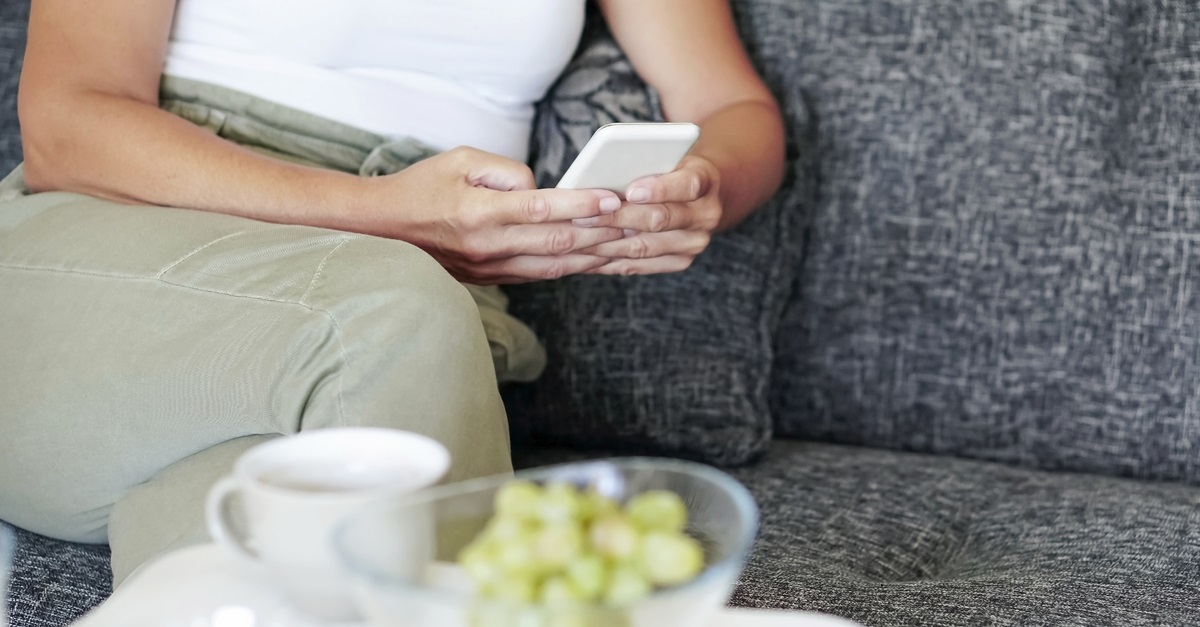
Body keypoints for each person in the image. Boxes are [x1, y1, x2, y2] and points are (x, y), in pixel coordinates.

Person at [0, 0, 785, 585]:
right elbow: (67, 125)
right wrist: (387, 217)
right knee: (395, 309)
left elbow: (730, 106)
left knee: (247, 555)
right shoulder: (398, 297)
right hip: (122, 252)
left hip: (387, 331)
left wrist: (704, 185)